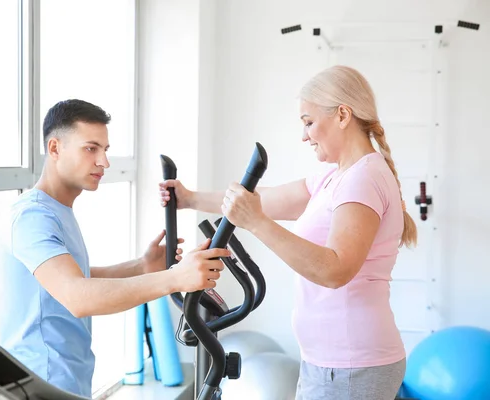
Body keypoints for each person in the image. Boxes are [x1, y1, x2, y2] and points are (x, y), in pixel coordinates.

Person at [159, 65, 417, 400]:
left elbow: (335, 269)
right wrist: (189, 198)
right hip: (332, 362)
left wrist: (256, 223)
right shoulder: (335, 176)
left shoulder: (363, 179)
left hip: (351, 364)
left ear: (342, 115)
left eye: (308, 122)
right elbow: (262, 199)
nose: (304, 135)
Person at [0, 99, 229, 398]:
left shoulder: (56, 210)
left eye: (105, 150)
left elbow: (68, 279)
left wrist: (142, 266)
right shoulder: (32, 217)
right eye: (91, 148)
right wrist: (175, 278)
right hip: (42, 383)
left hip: (66, 378)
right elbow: (77, 296)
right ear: (55, 149)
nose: (104, 162)